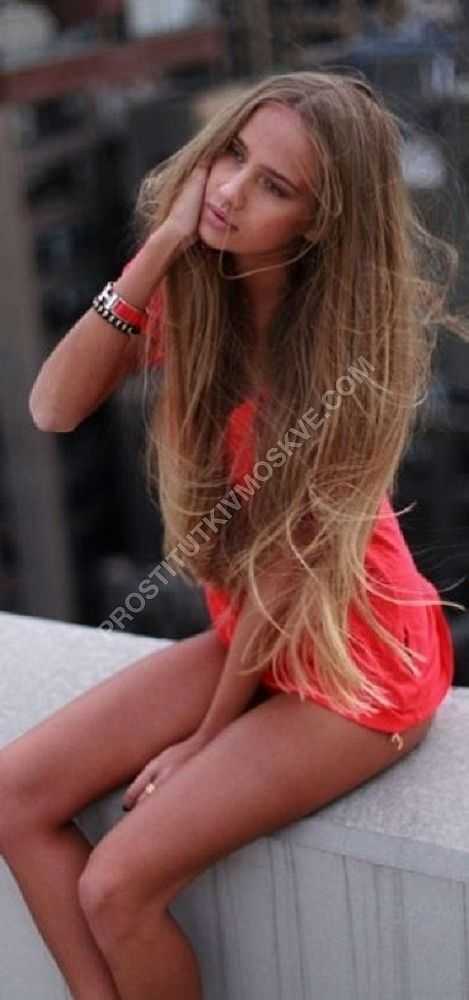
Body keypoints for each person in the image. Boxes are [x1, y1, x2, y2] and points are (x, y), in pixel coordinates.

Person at [1, 69, 468, 999]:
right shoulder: (201, 295)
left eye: (274, 186)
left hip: (354, 664)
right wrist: (162, 244)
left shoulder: (333, 365)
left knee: (117, 886)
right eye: (233, 156)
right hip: (253, 632)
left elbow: (289, 585)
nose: (231, 189)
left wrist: (207, 741)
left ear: (317, 222)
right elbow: (52, 407)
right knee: (14, 798)